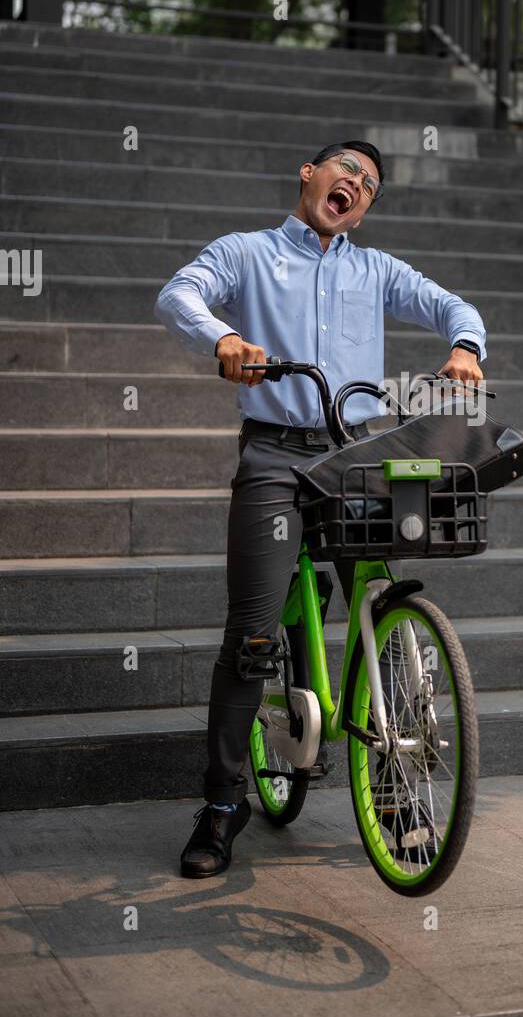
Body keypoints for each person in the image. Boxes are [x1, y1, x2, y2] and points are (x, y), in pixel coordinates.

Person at [153, 140, 487, 876]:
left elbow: (449, 305)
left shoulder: (376, 269)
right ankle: (221, 803)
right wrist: (226, 336)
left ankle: (395, 786)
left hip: (356, 456)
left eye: (369, 185)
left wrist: (464, 344)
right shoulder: (247, 253)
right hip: (274, 455)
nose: (357, 186)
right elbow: (179, 293)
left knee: (382, 602)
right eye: (347, 171)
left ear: (364, 210)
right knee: (251, 637)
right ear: (310, 174)